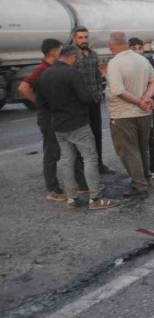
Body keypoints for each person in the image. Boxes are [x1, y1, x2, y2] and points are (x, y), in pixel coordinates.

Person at [35, 45, 117, 210]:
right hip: (77, 122)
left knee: (66, 160)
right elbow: (86, 98)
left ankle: (72, 198)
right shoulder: (73, 74)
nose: (79, 61)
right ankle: (94, 199)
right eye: (78, 58)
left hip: (58, 124)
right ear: (72, 57)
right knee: (89, 158)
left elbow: (41, 103)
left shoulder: (45, 74)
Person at [19, 39, 89, 201]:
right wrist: (41, 104)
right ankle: (52, 188)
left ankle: (82, 185)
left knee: (72, 149)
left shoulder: (54, 69)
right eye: (60, 50)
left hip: (60, 116)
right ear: (53, 53)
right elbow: (23, 88)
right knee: (53, 152)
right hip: (48, 116)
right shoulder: (42, 69)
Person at [105, 32, 154, 195]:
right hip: (143, 114)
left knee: (129, 151)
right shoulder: (141, 59)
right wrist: (147, 98)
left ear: (110, 46)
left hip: (123, 116)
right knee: (142, 148)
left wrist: (139, 101)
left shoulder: (114, 64)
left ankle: (140, 184)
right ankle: (146, 177)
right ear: (127, 45)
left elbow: (118, 91)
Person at [71, 27, 116, 175]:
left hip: (94, 102)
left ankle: (98, 164)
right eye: (80, 37)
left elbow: (97, 76)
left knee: (97, 133)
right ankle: (82, 168)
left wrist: (99, 92)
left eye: (85, 37)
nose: (84, 40)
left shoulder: (92, 54)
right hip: (78, 104)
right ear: (74, 39)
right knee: (81, 136)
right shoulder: (71, 56)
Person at [128, 38, 154, 179]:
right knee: (133, 141)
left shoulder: (150, 62)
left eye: (140, 48)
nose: (138, 51)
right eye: (134, 48)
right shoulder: (124, 64)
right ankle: (138, 170)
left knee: (149, 139)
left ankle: (152, 168)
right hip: (130, 110)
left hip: (149, 109)